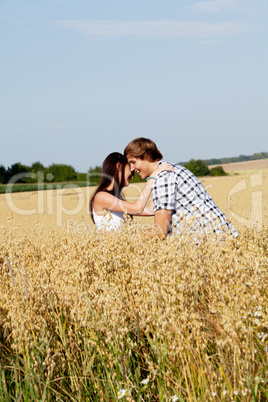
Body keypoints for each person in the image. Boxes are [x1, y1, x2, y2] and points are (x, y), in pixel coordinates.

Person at [124, 137, 239, 239]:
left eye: (133, 162)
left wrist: (125, 238)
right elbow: (150, 209)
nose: (132, 168)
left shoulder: (163, 177)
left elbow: (160, 232)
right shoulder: (168, 169)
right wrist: (117, 209)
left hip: (212, 239)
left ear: (147, 157)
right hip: (221, 234)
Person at [90, 152, 173, 231]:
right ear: (119, 166)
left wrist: (160, 181)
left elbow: (150, 210)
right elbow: (137, 208)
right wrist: (152, 177)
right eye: (130, 166)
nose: (132, 175)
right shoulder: (101, 197)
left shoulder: (116, 198)